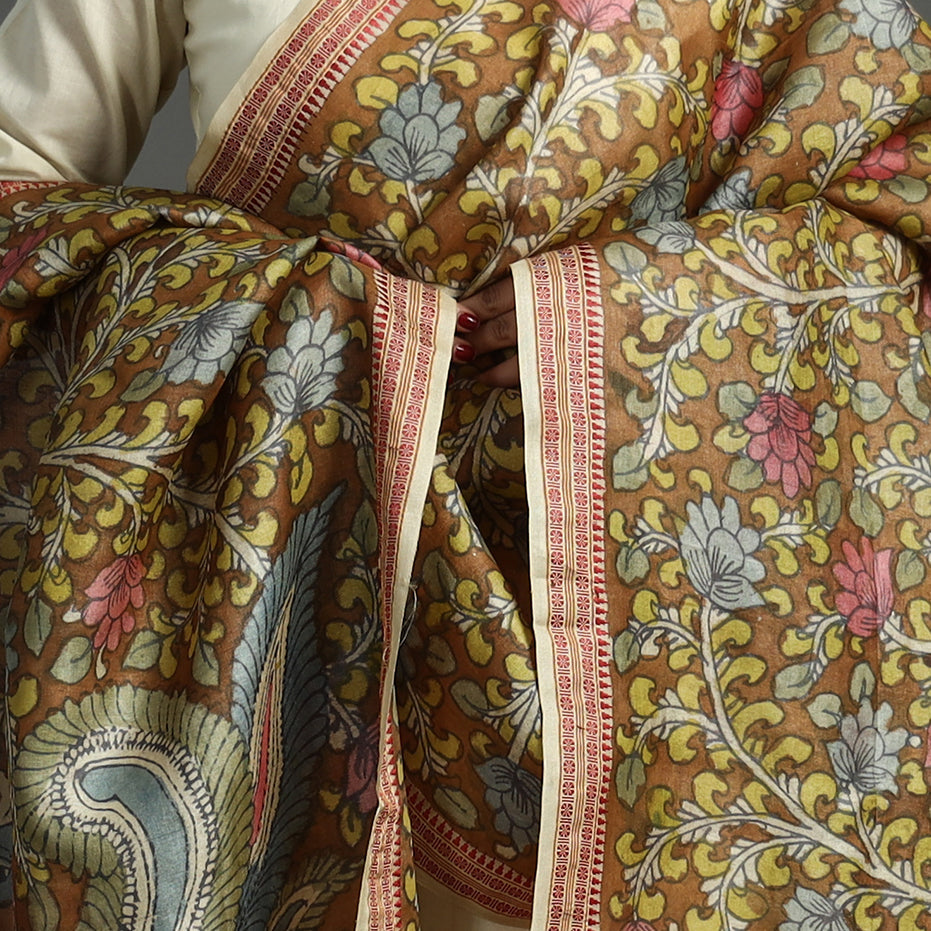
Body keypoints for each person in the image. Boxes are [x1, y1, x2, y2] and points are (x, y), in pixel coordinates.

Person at [1, 0, 931, 928]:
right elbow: (18, 206)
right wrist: (307, 311)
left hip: (630, 637)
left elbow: (898, 213)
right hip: (276, 592)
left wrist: (627, 320)